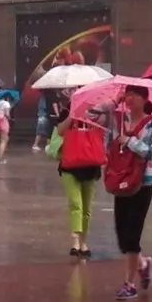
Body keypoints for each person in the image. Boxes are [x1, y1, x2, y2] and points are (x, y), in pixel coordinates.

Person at [106, 88, 152, 300]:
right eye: (127, 95)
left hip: (142, 182)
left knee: (132, 233)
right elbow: (98, 123)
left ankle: (129, 283)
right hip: (121, 180)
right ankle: (143, 263)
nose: (129, 99)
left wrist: (130, 142)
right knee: (122, 235)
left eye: (134, 95)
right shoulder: (121, 121)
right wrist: (114, 104)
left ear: (145, 98)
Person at [55, 101, 104, 259]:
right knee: (76, 204)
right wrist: (73, 115)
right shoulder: (67, 111)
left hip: (90, 165)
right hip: (70, 166)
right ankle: (75, 241)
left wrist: (96, 114)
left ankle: (84, 241)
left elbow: (103, 128)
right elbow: (60, 131)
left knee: (87, 208)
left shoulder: (96, 113)